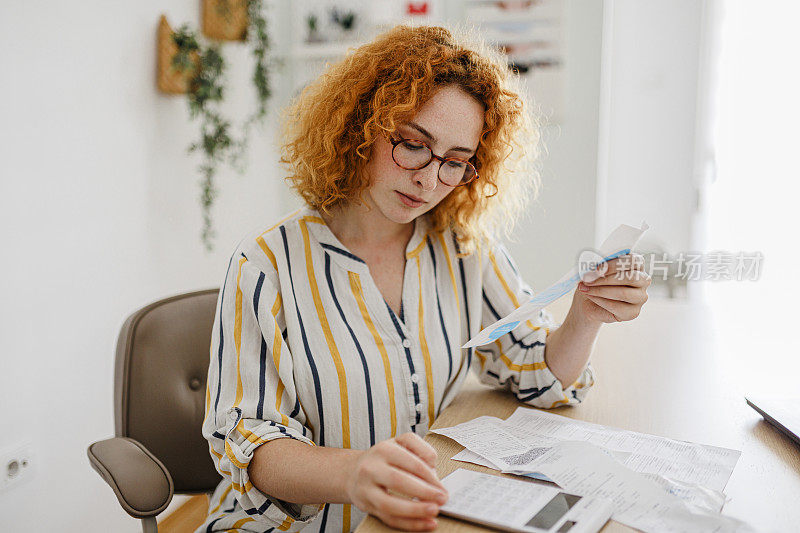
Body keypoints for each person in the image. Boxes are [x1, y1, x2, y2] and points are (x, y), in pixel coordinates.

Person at [200, 24, 650, 533]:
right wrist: (352, 474)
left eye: (456, 162)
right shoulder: (266, 265)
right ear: (360, 127)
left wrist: (586, 317)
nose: (429, 179)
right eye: (413, 144)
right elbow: (251, 443)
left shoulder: (461, 246)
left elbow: (534, 370)